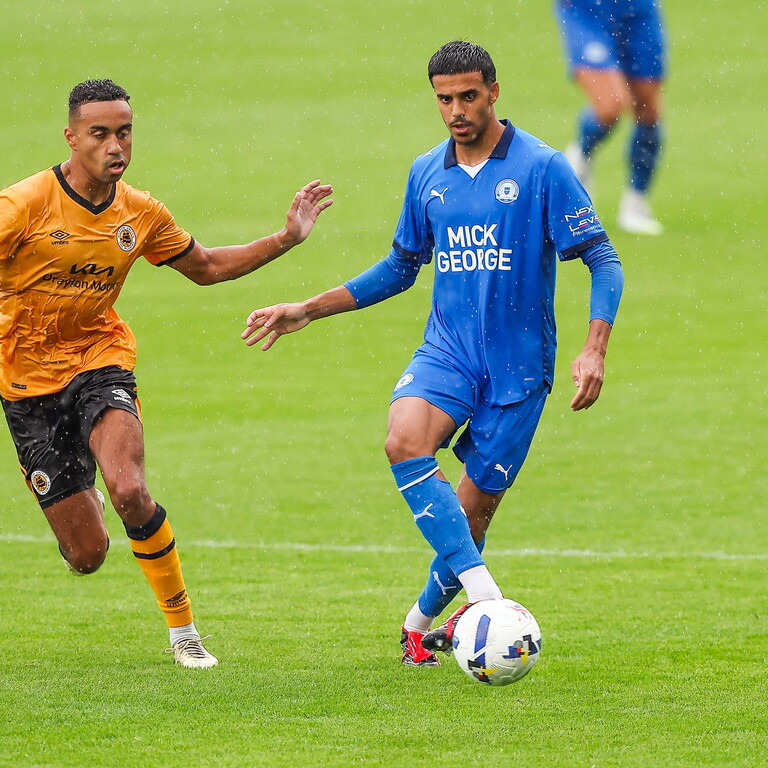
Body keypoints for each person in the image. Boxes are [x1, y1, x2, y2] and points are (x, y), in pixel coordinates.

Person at [0, 79, 332, 669]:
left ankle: (184, 632)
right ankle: (74, 482)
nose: (116, 146)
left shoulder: (140, 213)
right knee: (86, 555)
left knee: (131, 488)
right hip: (27, 385)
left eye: (125, 132)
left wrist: (288, 237)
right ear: (71, 137)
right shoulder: (22, 204)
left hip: (99, 360)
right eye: (100, 134)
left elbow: (209, 267)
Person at [242, 41, 623, 666]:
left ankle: (418, 624)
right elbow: (400, 267)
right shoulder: (427, 173)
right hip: (447, 351)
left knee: (468, 520)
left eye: (468, 96)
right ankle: (490, 603)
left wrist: (594, 348)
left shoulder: (542, 168)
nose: (456, 110)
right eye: (444, 99)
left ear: (493, 92)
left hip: (519, 369)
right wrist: (306, 308)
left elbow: (603, 260)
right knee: (403, 440)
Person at [555, 0, 668, 235]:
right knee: (610, 105)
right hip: (587, 10)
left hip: (639, 9)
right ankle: (581, 155)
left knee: (649, 107)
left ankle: (636, 203)